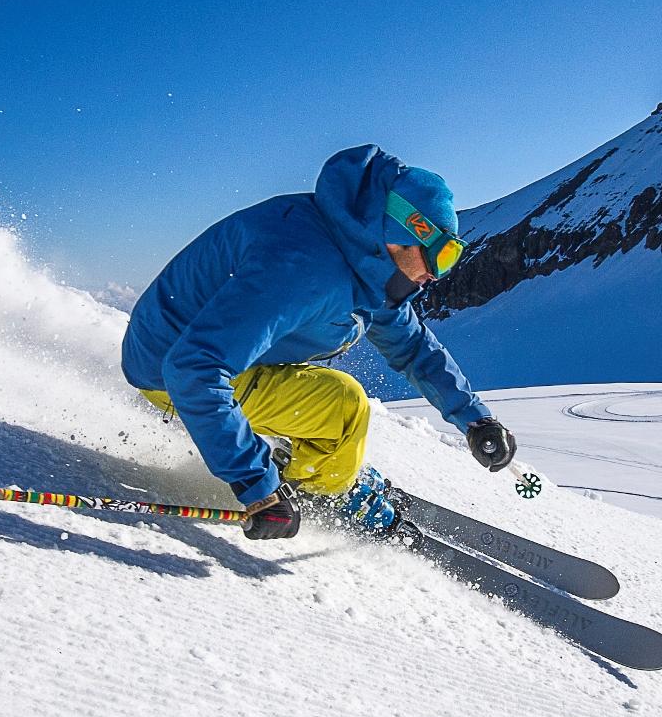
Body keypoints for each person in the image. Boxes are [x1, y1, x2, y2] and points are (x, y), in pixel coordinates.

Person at [121, 144, 518, 540]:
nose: (438, 274)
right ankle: (320, 490)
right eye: (441, 256)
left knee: (323, 396)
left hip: (195, 351)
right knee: (345, 405)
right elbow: (194, 367)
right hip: (169, 370)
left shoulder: (364, 257)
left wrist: (474, 417)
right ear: (404, 231)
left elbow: (412, 346)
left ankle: (317, 466)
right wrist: (259, 490)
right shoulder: (305, 269)